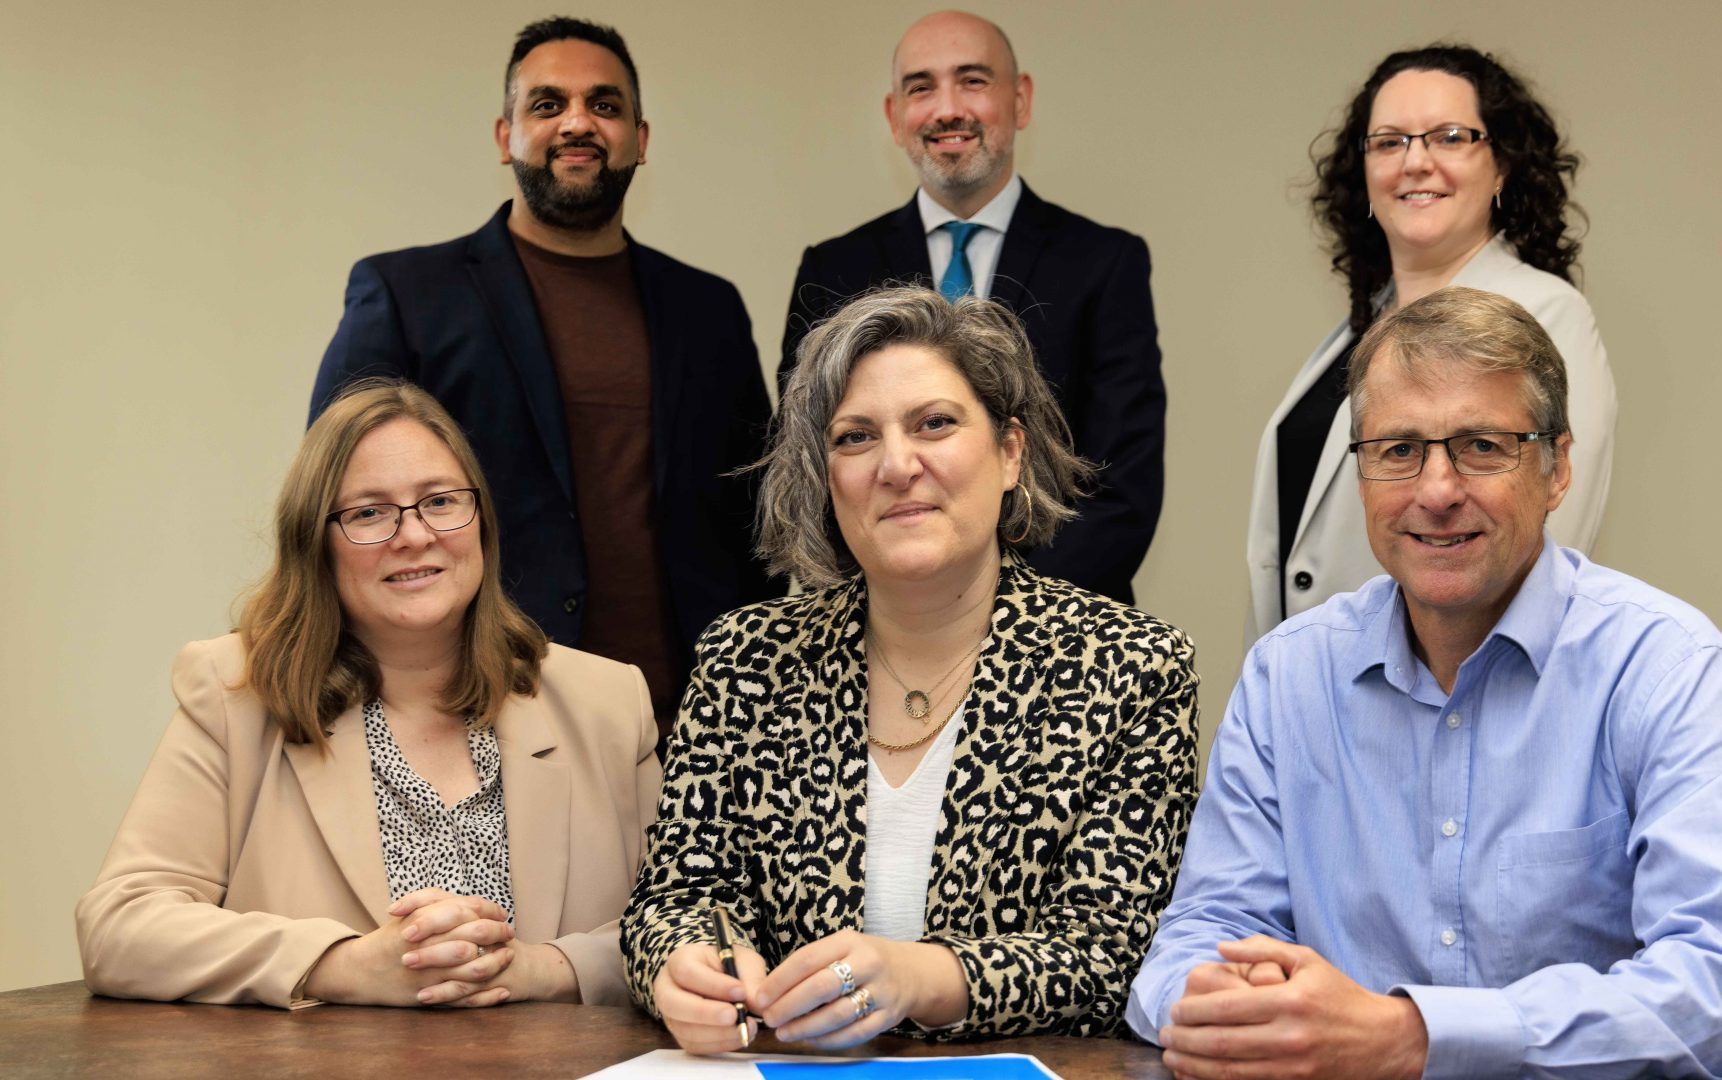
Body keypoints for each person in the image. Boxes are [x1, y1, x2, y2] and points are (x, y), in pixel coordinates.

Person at [1127, 288, 1722, 1079]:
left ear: (1558, 469)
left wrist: (1412, 1037)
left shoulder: (1664, 669)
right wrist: (1220, 1010)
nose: (1437, 490)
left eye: (1482, 445)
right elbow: (1203, 931)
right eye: (1399, 449)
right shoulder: (1288, 675)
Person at [624, 286, 1197, 1053]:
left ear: (1010, 452)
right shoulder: (744, 661)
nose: (897, 465)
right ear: (826, 479)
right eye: (856, 437)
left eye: (935, 423)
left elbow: (1107, 957)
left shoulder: (1133, 669)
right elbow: (678, 896)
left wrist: (918, 978)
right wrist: (682, 967)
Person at [77, 382, 660, 1008]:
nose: (413, 535)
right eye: (369, 513)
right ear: (315, 543)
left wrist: (542, 970)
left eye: (439, 501)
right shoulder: (237, 694)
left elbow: (709, 922)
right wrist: (343, 964)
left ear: (481, 523)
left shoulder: (607, 702)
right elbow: (120, 925)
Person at [311, 16, 777, 725]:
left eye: (606, 105)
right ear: (505, 138)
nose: (578, 123)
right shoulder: (407, 295)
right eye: (547, 104)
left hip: (695, 722)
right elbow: (342, 505)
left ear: (640, 141)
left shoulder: (709, 309)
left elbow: (759, 518)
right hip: (482, 703)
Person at [781, 10, 1164, 604]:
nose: (947, 109)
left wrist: (1008, 621)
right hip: (878, 631)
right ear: (894, 115)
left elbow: (1123, 484)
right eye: (921, 87)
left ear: (1020, 100)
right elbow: (811, 465)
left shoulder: (1104, 263)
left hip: (1064, 633)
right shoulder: (832, 270)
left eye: (973, 81)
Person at [1249, 44, 1617, 638]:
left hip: (1443, 700)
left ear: (1500, 167)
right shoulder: (1360, 328)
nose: (1415, 162)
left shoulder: (1545, 314)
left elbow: (1540, 545)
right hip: (1316, 686)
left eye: (1449, 136)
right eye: (1390, 141)